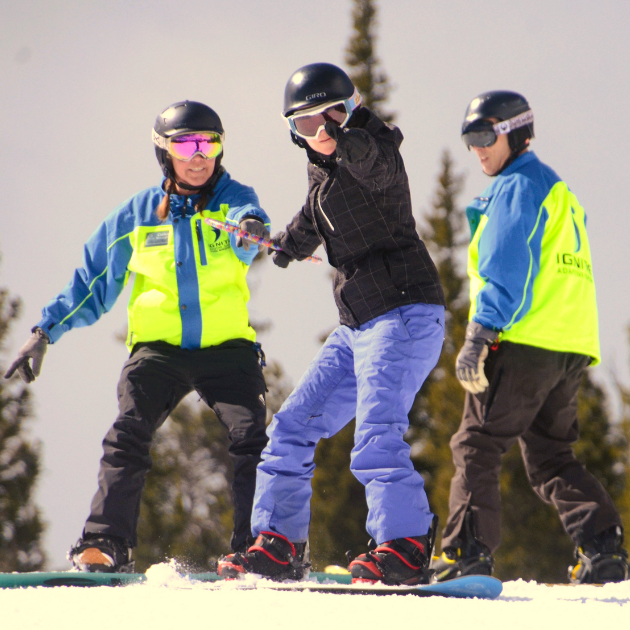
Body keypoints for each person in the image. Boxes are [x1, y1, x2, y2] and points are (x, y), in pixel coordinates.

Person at [4, 100, 272, 573]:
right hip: (158, 351)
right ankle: (105, 543)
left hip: (227, 348)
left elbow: (250, 225)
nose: (198, 154)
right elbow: (92, 283)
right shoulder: (138, 215)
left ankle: (256, 548)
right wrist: (45, 331)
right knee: (128, 433)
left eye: (210, 143)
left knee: (252, 438)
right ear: (164, 151)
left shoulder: (232, 200)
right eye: (185, 144)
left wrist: (250, 229)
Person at [218, 63, 446, 585]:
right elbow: (315, 213)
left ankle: (404, 544)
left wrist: (349, 136)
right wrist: (282, 245)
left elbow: (372, 167)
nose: (322, 133)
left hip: (404, 312)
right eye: (306, 125)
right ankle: (277, 542)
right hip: (357, 324)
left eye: (333, 117)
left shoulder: (374, 146)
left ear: (354, 108)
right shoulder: (321, 171)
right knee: (292, 427)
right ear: (292, 133)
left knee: (376, 431)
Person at [432, 90, 628, 584]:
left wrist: (481, 333)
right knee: (551, 456)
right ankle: (603, 550)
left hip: (522, 338)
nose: (476, 149)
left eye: (484, 135)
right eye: (469, 139)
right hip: (568, 343)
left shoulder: (517, 186)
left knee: (477, 442)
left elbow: (507, 264)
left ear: (517, 131)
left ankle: (465, 552)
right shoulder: (556, 188)